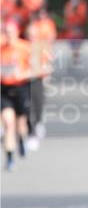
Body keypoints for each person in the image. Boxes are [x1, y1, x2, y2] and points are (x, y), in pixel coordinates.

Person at [1, 19, 34, 171]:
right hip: (4, 89)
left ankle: (21, 139)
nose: (7, 35)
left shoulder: (25, 47)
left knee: (21, 123)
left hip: (21, 88)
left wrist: (23, 74)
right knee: (9, 123)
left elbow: (38, 68)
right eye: (5, 32)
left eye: (10, 32)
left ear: (16, 32)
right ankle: (9, 158)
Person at [26, 8, 56, 146]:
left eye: (33, 35)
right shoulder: (24, 46)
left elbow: (48, 61)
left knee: (39, 99)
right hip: (25, 79)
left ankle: (38, 123)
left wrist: (45, 72)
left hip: (39, 76)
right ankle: (30, 126)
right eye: (29, 35)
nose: (31, 37)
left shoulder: (41, 44)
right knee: (27, 103)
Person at [63, 0, 88, 66]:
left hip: (79, 27)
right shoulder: (68, 5)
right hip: (71, 28)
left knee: (78, 44)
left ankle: (75, 57)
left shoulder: (83, 5)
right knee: (72, 44)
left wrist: (77, 10)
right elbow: (66, 15)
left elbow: (84, 16)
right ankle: (74, 57)